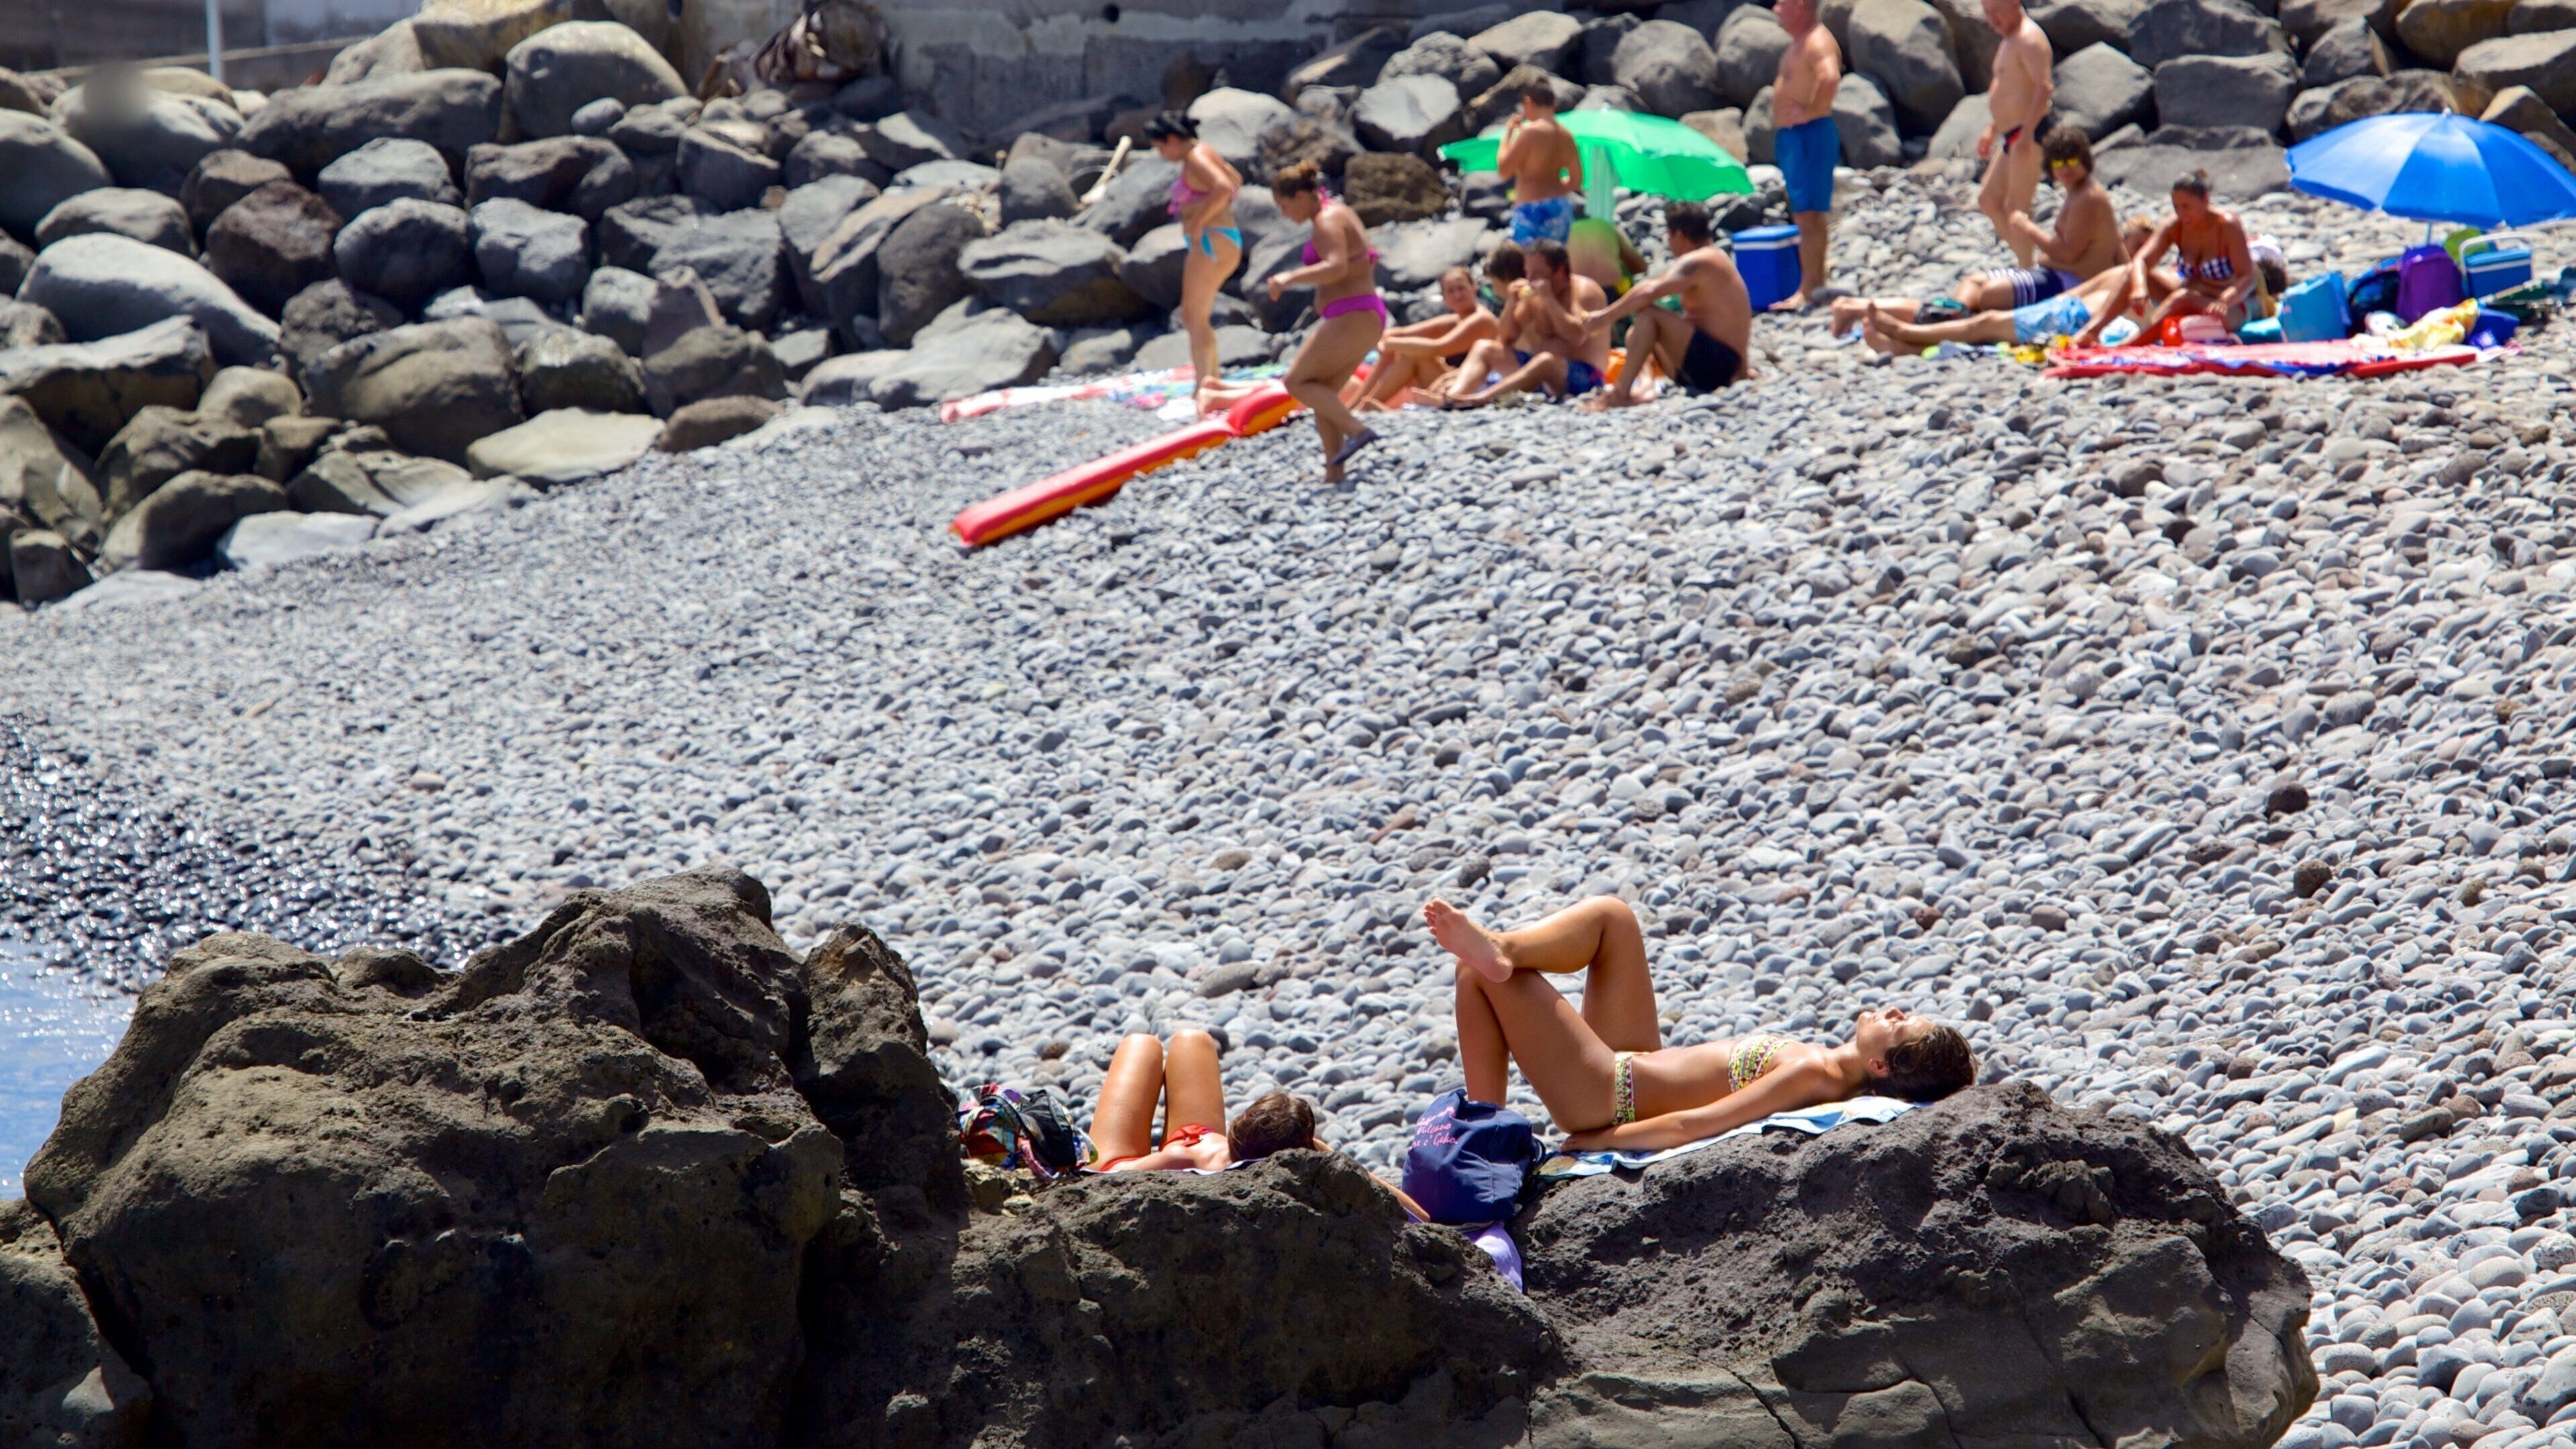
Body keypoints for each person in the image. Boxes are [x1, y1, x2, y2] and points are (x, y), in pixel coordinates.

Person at [1424, 896, 1975, 1151]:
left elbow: (1698, 1125)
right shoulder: (1828, 1069)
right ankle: (1502, 945)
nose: (1895, 1012)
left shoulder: (1814, 1074)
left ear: (1879, 1064)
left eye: (1901, 1026)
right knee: (1614, 921)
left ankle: (1482, 1137)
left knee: (1477, 977)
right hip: (1628, 1059)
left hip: (1605, 1092)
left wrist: (1593, 1142)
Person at [1264, 160, 1386, 480]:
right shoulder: (1338, 212)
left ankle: (1358, 431)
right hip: (1363, 315)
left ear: (1301, 197)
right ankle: (1335, 472)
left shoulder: (1327, 221)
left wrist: (1289, 277)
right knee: (1322, 394)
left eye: (1284, 205)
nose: (1284, 214)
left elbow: (1336, 267)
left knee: (1296, 382)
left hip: (1353, 316)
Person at [1581, 201, 1754, 406]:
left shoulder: (1699, 261)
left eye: (1669, 237)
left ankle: (1620, 394)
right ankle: (1644, 387)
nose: (1669, 244)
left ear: (1680, 235)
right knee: (1636, 331)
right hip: (1721, 366)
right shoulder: (1715, 258)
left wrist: (1604, 318)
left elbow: (1648, 291)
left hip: (1717, 366)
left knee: (1649, 315)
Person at [1089, 1029, 1323, 1171]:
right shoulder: (1290, 1157)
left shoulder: (1180, 1159)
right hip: (1199, 1136)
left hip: (1122, 1163)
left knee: (1141, 1043)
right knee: (1195, 1038)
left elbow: (1115, 1176)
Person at [1952, 125, 2123, 312]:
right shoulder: (2077, 192)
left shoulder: (2088, 197)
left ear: (2085, 161)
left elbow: (2068, 254)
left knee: (1991, 294)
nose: (2065, 168)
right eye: (2058, 163)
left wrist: (2027, 227)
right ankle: (1950, 318)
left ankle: (1963, 324)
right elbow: (2117, 243)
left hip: (2073, 283)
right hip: (2052, 274)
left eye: (2071, 161)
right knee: (1973, 282)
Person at [1434, 238, 1610, 407]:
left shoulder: (1584, 290)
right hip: (1541, 378)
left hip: (1585, 378)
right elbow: (1505, 339)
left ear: (1560, 271)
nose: (1531, 279)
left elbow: (1577, 336)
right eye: (1528, 273)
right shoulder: (1534, 295)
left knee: (1545, 361)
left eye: (1538, 273)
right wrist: (1511, 304)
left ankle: (1482, 398)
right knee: (1484, 348)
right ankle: (1454, 397)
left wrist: (1549, 300)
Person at [1145, 111, 1244, 402]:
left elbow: (1225, 188)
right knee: (1197, 316)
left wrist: (1199, 221)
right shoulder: (1205, 152)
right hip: (1222, 239)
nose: (1161, 154)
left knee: (1193, 316)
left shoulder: (1196, 158)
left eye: (1161, 147)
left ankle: (1205, 386)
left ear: (1174, 139)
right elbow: (1234, 179)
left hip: (1211, 241)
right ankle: (1211, 381)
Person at [2101, 168, 2263, 340]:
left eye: (2186, 206)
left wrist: (2224, 300)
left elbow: (2248, 277)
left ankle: (2129, 345)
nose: (2181, 213)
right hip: (2187, 296)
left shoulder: (2227, 226)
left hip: (2227, 307)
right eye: (2176, 207)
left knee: (2182, 298)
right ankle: (2092, 332)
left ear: (2205, 200)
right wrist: (2140, 287)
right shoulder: (2176, 226)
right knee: (2132, 274)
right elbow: (2141, 260)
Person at [1770, 0, 1842, 311]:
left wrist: (1809, 111)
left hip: (1809, 135)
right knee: (1804, 213)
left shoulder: (1817, 41)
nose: (1775, 9)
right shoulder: (1800, 42)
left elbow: (1830, 78)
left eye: (1781, 4)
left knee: (1809, 216)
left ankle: (1809, 288)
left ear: (1799, 6)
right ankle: (1814, 283)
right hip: (1796, 137)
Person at [1346, 265, 1499, 411]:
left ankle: (1359, 407)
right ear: (1444, 298)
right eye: (1451, 291)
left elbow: (1438, 347)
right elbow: (1399, 333)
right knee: (1398, 352)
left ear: (1474, 288)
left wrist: (1393, 344)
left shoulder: (1482, 320)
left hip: (1471, 387)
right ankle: (1357, 405)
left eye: (1461, 289)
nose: (1457, 295)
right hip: (1451, 382)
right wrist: (1389, 342)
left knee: (1411, 356)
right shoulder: (1456, 320)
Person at [1976, 0, 2055, 269]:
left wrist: (2028, 132)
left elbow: (2043, 89)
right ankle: (2029, 263)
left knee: (2016, 208)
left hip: (2029, 133)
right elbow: (2007, 87)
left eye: (1997, 10)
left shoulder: (2029, 39)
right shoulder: (2009, 39)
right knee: (1988, 200)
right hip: (2012, 133)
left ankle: (2029, 271)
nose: (1993, 19)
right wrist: (1993, 127)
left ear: (2014, 3)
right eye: (1987, 13)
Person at [1498, 81, 1584, 246]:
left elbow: (1504, 170)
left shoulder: (1529, 132)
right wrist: (1554, 187)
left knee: (1528, 267)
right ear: (1554, 104)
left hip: (1532, 208)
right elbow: (1576, 181)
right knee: (1556, 265)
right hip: (1560, 207)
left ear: (1529, 102)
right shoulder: (1567, 136)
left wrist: (1508, 135)